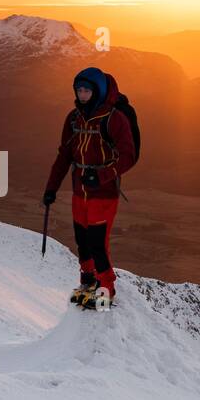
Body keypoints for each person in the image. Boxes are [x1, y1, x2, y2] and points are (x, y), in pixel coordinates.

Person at [41, 67, 137, 308]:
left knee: (98, 244)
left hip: (103, 194)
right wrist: (51, 188)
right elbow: (64, 156)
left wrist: (102, 175)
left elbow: (128, 155)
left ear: (97, 91)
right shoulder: (74, 119)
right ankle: (87, 283)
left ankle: (107, 289)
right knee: (82, 241)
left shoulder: (114, 119)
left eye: (87, 90)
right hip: (79, 191)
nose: (82, 94)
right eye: (79, 90)